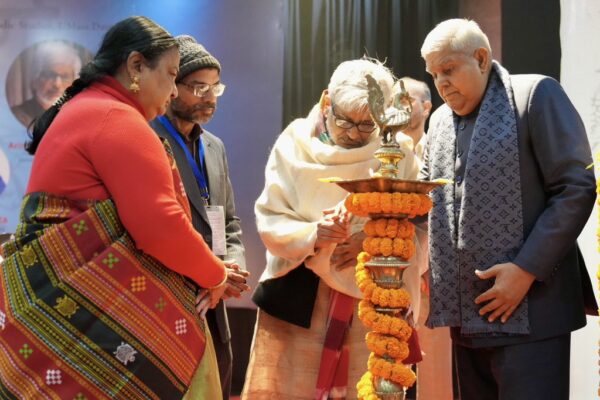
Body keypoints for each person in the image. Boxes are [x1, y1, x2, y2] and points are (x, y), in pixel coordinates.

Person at [0, 16, 228, 399]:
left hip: (47, 304)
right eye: (172, 75)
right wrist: (215, 274)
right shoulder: (117, 119)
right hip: (82, 308)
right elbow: (160, 228)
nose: (174, 91)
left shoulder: (87, 108)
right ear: (136, 66)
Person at [419, 19, 597, 400]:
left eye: (448, 69)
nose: (441, 84)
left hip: (534, 314)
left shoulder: (535, 95)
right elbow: (423, 198)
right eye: (434, 75)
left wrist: (525, 270)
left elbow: (576, 187)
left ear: (482, 58)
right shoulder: (439, 122)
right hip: (466, 319)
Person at [242, 58, 420, 399]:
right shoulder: (294, 144)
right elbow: (271, 217)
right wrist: (314, 235)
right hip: (297, 295)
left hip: (371, 301)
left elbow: (419, 225)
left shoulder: (397, 155)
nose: (353, 134)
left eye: (366, 125)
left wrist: (371, 240)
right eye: (344, 121)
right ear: (327, 101)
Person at [150, 35, 250, 400]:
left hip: (215, 300)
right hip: (169, 299)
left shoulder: (214, 146)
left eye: (215, 87)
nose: (210, 98)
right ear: (172, 87)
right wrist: (211, 273)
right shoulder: (148, 139)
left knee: (219, 383)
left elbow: (229, 221)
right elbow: (156, 228)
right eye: (198, 87)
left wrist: (232, 267)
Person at [396, 76, 453, 400]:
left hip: (434, 277)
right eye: (395, 100)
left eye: (408, 100)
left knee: (435, 373)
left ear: (427, 107)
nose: (399, 107)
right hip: (390, 272)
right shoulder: (384, 152)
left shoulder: (441, 148)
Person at [11, 40, 83, 127]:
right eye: (50, 75)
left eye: (65, 77)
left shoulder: (81, 115)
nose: (57, 85)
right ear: (35, 80)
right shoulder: (18, 115)